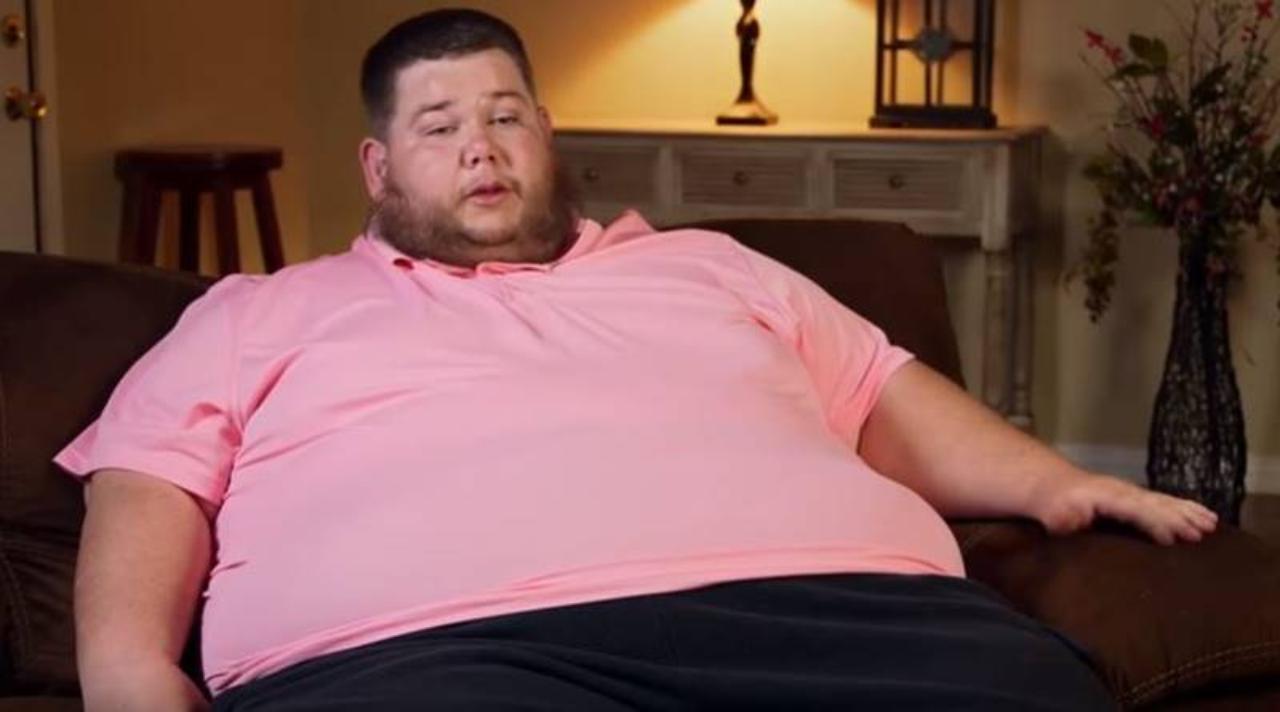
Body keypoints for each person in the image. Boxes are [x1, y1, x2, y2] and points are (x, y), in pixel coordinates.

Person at [61, 9, 1217, 712]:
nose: (480, 149)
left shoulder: (707, 266)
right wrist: (124, 670)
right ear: (377, 167)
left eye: (504, 116)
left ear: (544, 131)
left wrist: (1055, 481)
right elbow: (149, 479)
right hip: (428, 655)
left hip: (847, 619)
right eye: (438, 127)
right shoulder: (260, 311)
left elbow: (878, 392)